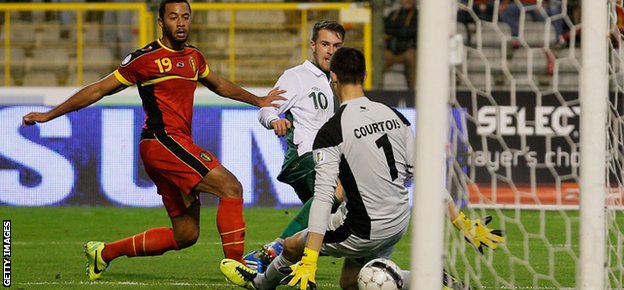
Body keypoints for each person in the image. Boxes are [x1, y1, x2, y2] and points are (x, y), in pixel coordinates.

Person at [21, 0, 285, 281]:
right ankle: (235, 264)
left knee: (186, 234)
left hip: (173, 144)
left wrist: (257, 100)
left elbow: (219, 85)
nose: (181, 23)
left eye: (185, 17)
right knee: (231, 187)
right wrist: (50, 115)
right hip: (162, 141)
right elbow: (98, 89)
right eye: (174, 17)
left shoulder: (195, 58)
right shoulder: (144, 59)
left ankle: (104, 253)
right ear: (161, 22)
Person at [219, 47, 505, 290]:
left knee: (293, 245)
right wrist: (464, 224)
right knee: (350, 281)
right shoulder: (395, 116)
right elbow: (426, 176)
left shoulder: (332, 131)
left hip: (363, 229)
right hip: (398, 220)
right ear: (365, 76)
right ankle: (429, 281)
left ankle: (258, 283)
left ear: (333, 78)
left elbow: (322, 199)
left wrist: (310, 257)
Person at [243, 20, 346, 273]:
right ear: (313, 45)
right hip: (304, 159)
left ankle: (269, 268)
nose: (330, 51)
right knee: (341, 191)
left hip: (329, 160)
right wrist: (274, 120)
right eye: (325, 44)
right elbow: (267, 106)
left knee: (330, 222)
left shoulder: (340, 81)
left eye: (336, 45)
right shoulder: (296, 76)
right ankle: (274, 249)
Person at [383, 0, 418, 90]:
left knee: (412, 56)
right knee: (379, 58)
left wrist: (395, 33)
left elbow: (412, 32)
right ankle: (373, 88)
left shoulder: (418, 16)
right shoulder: (394, 14)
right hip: (392, 52)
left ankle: (413, 91)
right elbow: (385, 29)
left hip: (407, 51)